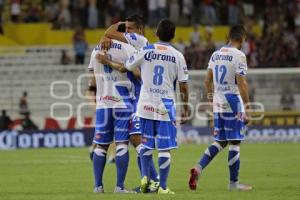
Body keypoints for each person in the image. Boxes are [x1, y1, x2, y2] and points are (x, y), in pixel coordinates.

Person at [98, 18, 189, 194]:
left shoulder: (146, 49)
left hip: (145, 103)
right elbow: (183, 85)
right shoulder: (178, 56)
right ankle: (162, 187)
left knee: (145, 145)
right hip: (165, 105)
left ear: (156, 33)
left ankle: (145, 181)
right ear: (173, 36)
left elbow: (126, 67)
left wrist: (107, 61)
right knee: (164, 148)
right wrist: (185, 106)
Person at [188, 25, 252, 191]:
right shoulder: (239, 55)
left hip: (218, 103)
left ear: (228, 37)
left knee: (220, 141)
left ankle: (198, 168)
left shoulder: (216, 55)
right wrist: (247, 107)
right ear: (242, 38)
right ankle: (233, 184)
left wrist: (211, 100)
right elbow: (242, 84)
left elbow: (207, 81)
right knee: (235, 142)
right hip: (233, 101)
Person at [100, 14, 160, 192]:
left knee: (137, 140)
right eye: (125, 30)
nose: (126, 32)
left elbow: (109, 32)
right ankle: (152, 182)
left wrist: (108, 33)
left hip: (142, 96)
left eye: (129, 29)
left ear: (139, 30)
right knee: (136, 141)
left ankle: (154, 182)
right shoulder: (138, 45)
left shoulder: (139, 39)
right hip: (138, 96)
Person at [88, 27, 137, 194]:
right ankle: (119, 187)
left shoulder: (96, 49)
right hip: (123, 102)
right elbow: (136, 72)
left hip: (103, 103)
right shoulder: (128, 48)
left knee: (101, 146)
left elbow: (92, 80)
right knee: (122, 144)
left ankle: (97, 186)